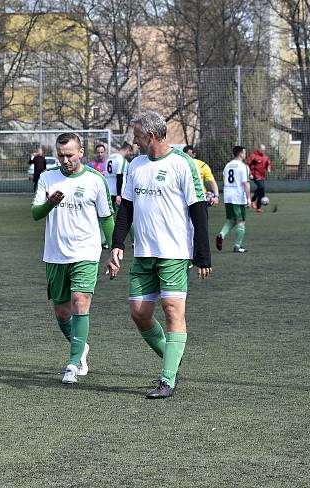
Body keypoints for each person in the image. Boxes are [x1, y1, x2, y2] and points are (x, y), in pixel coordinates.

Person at [105, 111, 211, 399]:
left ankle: (167, 379)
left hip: (175, 252)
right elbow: (125, 208)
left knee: (172, 309)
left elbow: (198, 209)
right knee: (139, 313)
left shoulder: (182, 164)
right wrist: (117, 243)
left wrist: (203, 255)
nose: (133, 141)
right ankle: (172, 358)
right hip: (143, 253)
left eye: (136, 136)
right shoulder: (135, 165)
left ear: (150, 136)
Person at [32, 132, 114, 384]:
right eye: (60, 155)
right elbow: (36, 214)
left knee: (80, 301)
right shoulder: (47, 177)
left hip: (86, 252)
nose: (65, 160)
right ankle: (82, 347)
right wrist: (50, 205)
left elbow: (106, 217)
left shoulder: (96, 179)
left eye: (69, 155)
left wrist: (114, 250)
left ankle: (73, 362)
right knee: (62, 312)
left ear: (80, 153)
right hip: (56, 254)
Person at [216, 146, 252, 253]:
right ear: (241, 154)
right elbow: (246, 184)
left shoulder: (227, 166)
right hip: (238, 197)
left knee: (231, 220)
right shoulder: (243, 166)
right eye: (244, 153)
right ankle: (237, 246)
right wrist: (248, 198)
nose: (245, 154)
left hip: (227, 196)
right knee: (241, 221)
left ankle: (221, 234)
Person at [246, 143, 272, 213]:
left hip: (262, 176)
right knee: (261, 188)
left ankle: (254, 202)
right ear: (259, 149)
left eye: (264, 150)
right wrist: (250, 173)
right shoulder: (253, 156)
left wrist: (268, 168)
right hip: (255, 175)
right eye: (262, 150)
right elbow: (247, 164)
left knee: (261, 190)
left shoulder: (266, 157)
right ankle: (257, 205)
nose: (263, 151)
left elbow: (268, 163)